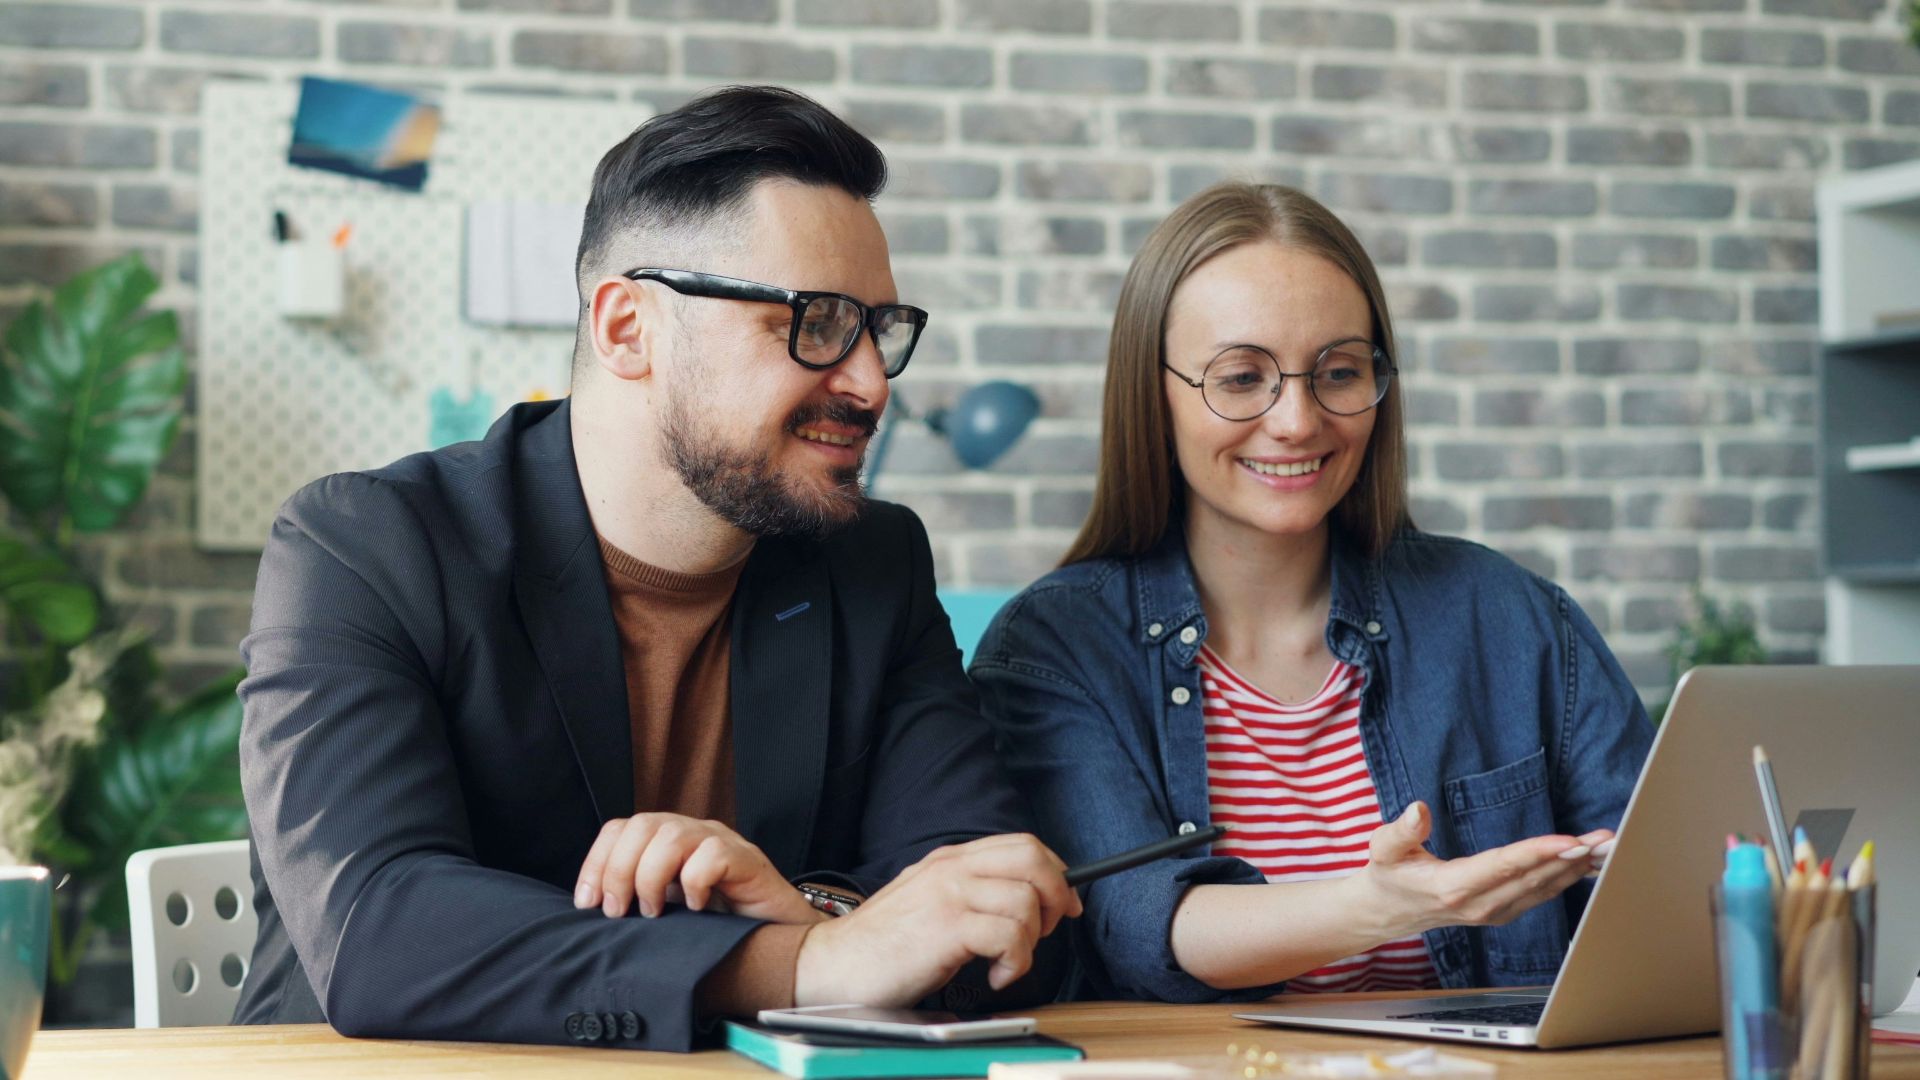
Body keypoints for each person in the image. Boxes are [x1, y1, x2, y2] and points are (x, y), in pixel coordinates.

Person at [233, 85, 1077, 1051]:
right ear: (628, 327)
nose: (870, 381)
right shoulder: (366, 548)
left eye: (877, 329)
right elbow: (380, 930)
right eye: (814, 321)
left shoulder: (869, 565)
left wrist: (805, 911)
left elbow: (1000, 912)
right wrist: (807, 962)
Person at [969, 182, 1654, 1004]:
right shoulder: (1054, 648)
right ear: (1154, 395)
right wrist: (1376, 908)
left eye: (1338, 371)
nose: (1296, 420)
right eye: (1241, 377)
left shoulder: (1512, 617)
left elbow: (1667, 888)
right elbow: (1140, 923)